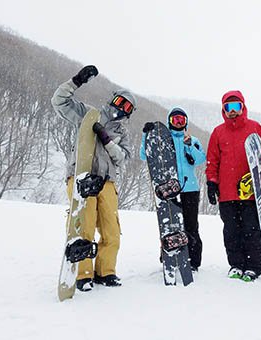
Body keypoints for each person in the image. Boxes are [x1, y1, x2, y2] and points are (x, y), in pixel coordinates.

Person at [51, 65, 137, 291]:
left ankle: (105, 272)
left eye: (127, 107)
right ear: (112, 100)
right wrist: (76, 81)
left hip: (107, 182)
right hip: (82, 177)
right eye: (120, 102)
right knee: (84, 225)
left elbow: (123, 158)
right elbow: (58, 102)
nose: (122, 108)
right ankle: (83, 274)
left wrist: (108, 140)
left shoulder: (123, 133)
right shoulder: (88, 115)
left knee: (111, 230)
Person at [205, 90, 261, 282]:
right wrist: (211, 183)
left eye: (236, 106)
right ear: (223, 110)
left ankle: (254, 266)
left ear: (243, 107)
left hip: (250, 193)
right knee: (231, 231)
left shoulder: (254, 127)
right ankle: (236, 264)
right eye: (228, 107)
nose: (232, 111)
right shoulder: (218, 132)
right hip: (227, 193)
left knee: (251, 229)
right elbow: (212, 160)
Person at [140, 108, 206, 271]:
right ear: (169, 122)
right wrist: (146, 136)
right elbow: (144, 155)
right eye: (175, 120)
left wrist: (189, 144)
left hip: (189, 189)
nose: (178, 123)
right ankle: (169, 257)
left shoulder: (192, 140)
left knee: (191, 226)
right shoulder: (163, 140)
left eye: (181, 120)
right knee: (170, 225)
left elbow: (200, 159)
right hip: (168, 189)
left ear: (186, 123)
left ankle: (193, 261)